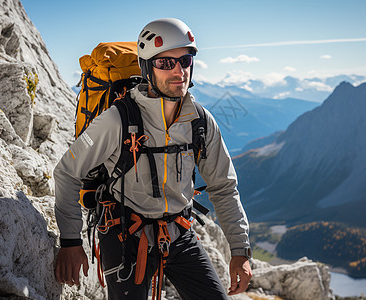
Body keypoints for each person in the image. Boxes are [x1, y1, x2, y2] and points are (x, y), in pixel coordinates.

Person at [53, 18, 252, 299]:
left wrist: (240, 251)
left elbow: (223, 186)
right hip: (124, 235)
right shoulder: (118, 119)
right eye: (165, 63)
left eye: (185, 60)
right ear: (147, 67)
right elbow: (67, 172)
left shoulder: (201, 122)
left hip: (179, 234)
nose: (179, 71)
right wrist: (70, 242)